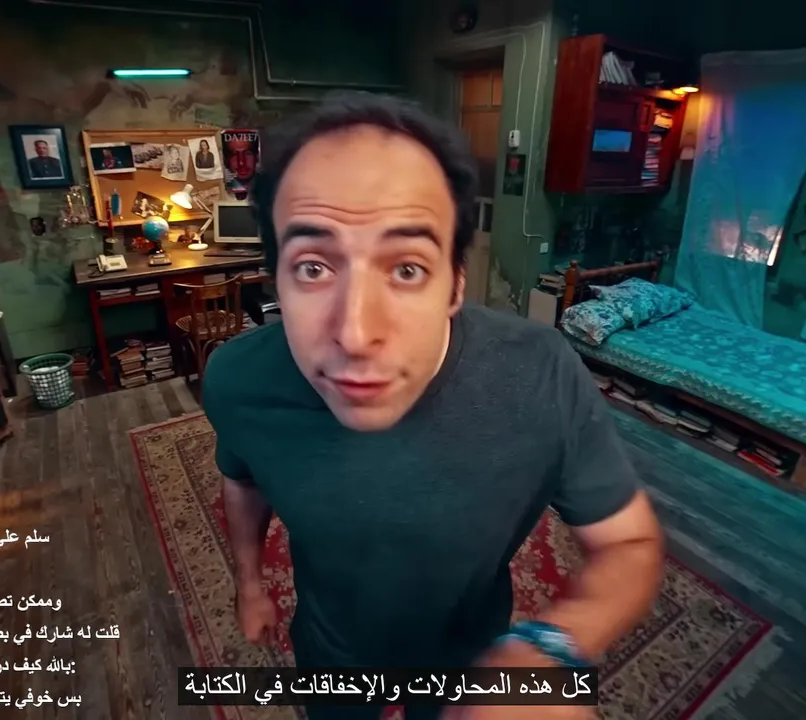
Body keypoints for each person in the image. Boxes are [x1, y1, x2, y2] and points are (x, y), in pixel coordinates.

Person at [202, 93, 664, 720]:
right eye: (312, 267)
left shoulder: (540, 374)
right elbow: (243, 479)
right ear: (275, 278)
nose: (355, 334)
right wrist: (250, 584)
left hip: (466, 666)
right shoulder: (237, 379)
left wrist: (551, 650)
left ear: (455, 284)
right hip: (331, 656)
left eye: (407, 269)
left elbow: (629, 543)